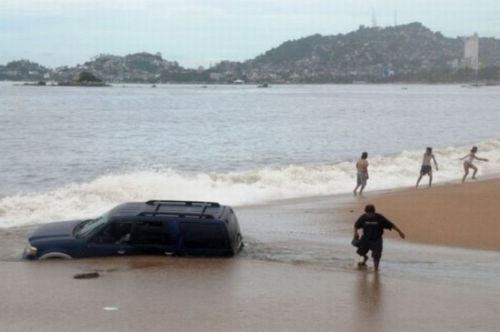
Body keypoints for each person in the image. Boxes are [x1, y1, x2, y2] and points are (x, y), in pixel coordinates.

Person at [353, 204, 405, 271]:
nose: (368, 215)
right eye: (367, 213)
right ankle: (365, 258)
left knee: (376, 256)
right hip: (365, 238)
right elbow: (356, 225)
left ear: (373, 212)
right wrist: (355, 232)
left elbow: (391, 225)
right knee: (360, 252)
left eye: (369, 213)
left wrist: (400, 232)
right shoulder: (363, 217)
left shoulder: (379, 218)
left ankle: (376, 269)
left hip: (377, 240)